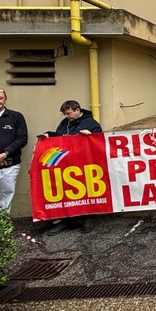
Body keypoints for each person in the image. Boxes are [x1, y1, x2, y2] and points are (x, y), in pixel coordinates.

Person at [41, 100, 103, 236]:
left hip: (83, 162)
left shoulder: (90, 123)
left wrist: (90, 136)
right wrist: (49, 135)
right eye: (65, 114)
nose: (66, 116)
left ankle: (87, 218)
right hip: (65, 162)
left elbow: (100, 140)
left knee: (84, 191)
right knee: (66, 191)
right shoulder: (65, 123)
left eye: (68, 113)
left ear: (77, 110)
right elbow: (59, 136)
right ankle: (66, 219)